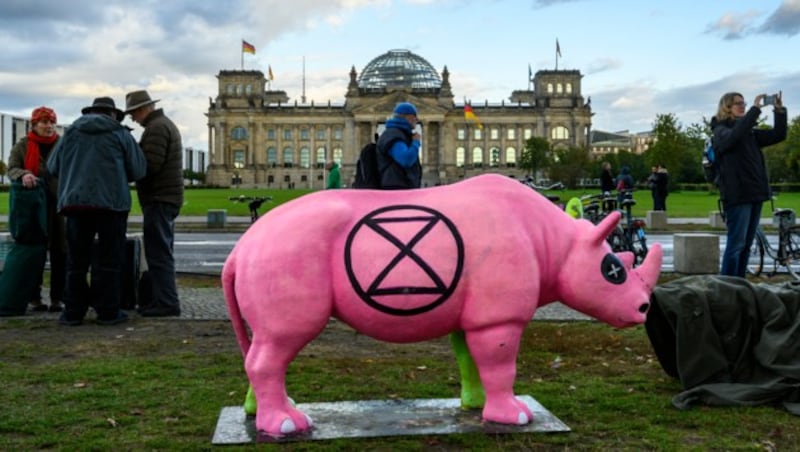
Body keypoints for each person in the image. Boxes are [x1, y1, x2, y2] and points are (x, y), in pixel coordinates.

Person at [46, 97, 146, 326]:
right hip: (112, 204)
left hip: (76, 204)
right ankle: (108, 311)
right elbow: (139, 170)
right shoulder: (121, 134)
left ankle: (73, 312)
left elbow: (52, 167)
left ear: (90, 112)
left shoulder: (71, 133)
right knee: (110, 259)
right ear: (113, 114)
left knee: (76, 262)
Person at [712, 91, 787, 277]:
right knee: (736, 244)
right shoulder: (721, 130)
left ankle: (740, 285)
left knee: (746, 244)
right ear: (727, 107)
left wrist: (779, 111)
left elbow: (778, 135)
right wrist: (755, 110)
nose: (743, 106)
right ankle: (727, 287)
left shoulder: (749, 133)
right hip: (737, 195)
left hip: (755, 193)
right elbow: (733, 138)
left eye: (744, 103)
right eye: (738, 103)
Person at [125, 90, 184, 317]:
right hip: (166, 198)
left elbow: (149, 166)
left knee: (159, 254)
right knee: (161, 252)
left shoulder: (156, 128)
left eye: (133, 114)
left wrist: (129, 165)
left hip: (159, 198)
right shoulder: (162, 124)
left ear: (143, 109)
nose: (133, 119)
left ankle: (167, 303)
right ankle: (160, 299)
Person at [7, 106, 66, 313]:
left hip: (60, 206)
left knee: (61, 251)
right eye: (44, 122)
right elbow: (11, 168)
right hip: (33, 206)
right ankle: (34, 297)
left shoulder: (63, 144)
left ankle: (58, 297)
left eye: (51, 122)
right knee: (35, 251)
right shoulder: (23, 145)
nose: (49, 126)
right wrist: (23, 174)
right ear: (34, 124)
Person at [376, 102, 422, 189]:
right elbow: (406, 159)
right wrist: (416, 142)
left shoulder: (398, 133)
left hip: (399, 185)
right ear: (407, 117)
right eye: (415, 116)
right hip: (397, 187)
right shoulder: (394, 134)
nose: (417, 119)